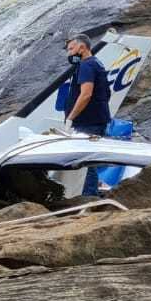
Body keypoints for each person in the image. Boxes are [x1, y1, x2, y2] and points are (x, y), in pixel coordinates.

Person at [64, 33, 112, 195]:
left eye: (71, 49)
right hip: (97, 121)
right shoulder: (97, 64)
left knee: (87, 163)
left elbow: (86, 94)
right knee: (90, 163)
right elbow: (107, 93)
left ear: (82, 47)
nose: (69, 53)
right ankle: (90, 195)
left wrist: (71, 117)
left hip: (88, 123)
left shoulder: (86, 66)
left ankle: (89, 198)